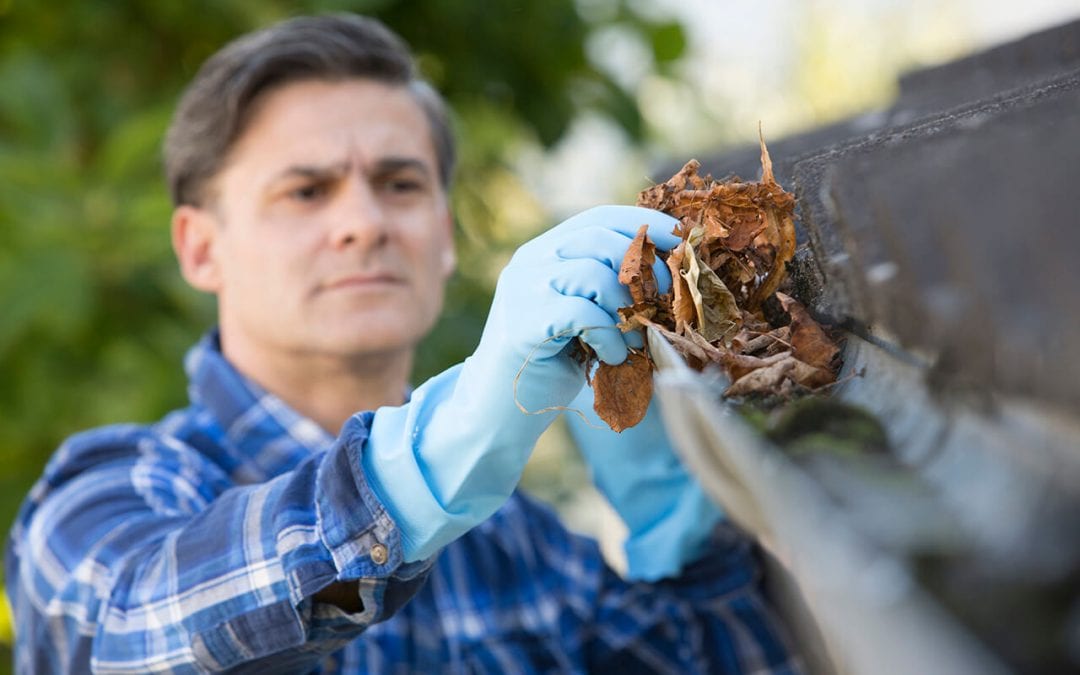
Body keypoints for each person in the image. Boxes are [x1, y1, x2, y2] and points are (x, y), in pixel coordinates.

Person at [4, 13, 802, 674]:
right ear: (199, 247)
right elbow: (124, 626)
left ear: (444, 238)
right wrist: (434, 458)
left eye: (400, 184)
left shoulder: (523, 547)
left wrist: (684, 535)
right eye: (306, 190)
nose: (365, 222)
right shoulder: (103, 499)